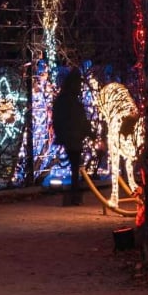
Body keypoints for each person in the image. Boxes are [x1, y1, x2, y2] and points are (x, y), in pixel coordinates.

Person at [51, 68, 91, 206]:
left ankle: (75, 193)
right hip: (73, 136)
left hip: (69, 135)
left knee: (75, 165)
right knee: (75, 166)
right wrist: (88, 132)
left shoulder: (64, 100)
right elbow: (80, 119)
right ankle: (75, 194)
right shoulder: (72, 101)